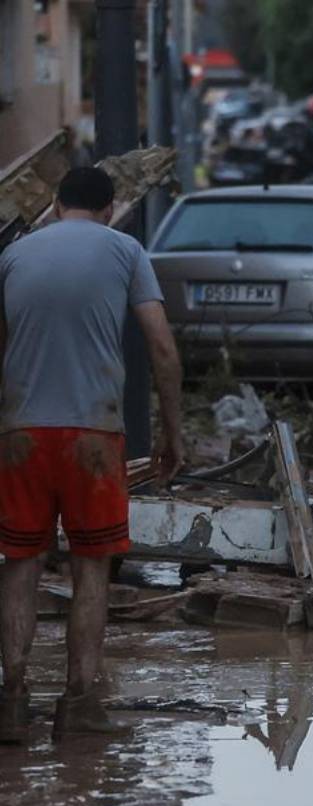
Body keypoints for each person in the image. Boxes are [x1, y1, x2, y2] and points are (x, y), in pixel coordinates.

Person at [0, 167, 184, 743]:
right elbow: (161, 346)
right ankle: (78, 704)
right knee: (90, 569)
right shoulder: (125, 249)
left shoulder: (13, 254)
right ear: (110, 209)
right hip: (94, 440)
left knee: (20, 565)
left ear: (55, 205)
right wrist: (172, 434)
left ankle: (11, 701)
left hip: (21, 437)